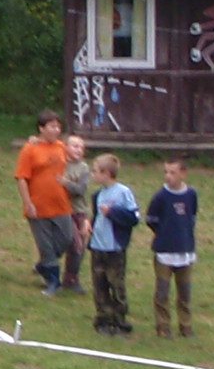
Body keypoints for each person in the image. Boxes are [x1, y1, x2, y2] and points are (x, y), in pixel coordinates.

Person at [14, 111, 76, 297]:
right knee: (46, 245)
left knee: (66, 238)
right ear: (42, 128)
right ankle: (53, 281)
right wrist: (28, 202)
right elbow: (22, 178)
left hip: (61, 204)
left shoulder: (61, 146)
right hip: (38, 205)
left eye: (58, 126)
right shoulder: (30, 150)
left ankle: (43, 265)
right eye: (52, 126)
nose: (56, 130)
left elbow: (76, 157)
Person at [88, 153, 139, 336]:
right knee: (99, 285)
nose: (93, 175)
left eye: (95, 171)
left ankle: (119, 320)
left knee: (116, 284)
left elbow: (133, 217)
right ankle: (103, 319)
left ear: (107, 173)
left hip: (115, 248)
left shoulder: (123, 192)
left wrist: (112, 212)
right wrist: (89, 225)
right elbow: (97, 218)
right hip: (98, 247)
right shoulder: (97, 195)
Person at [148, 157, 199, 339]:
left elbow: (192, 216)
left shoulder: (191, 195)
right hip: (165, 250)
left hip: (185, 249)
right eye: (166, 172)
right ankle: (163, 326)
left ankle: (185, 325)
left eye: (173, 172)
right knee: (162, 290)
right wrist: (164, 233)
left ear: (183, 174)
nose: (168, 176)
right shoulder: (160, 197)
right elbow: (151, 219)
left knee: (184, 290)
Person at [61, 133, 94, 293]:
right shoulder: (60, 163)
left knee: (79, 247)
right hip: (63, 211)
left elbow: (80, 190)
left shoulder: (84, 168)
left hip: (80, 211)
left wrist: (66, 183)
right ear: (65, 147)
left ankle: (71, 279)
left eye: (82, 147)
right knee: (73, 244)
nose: (79, 150)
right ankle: (45, 265)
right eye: (75, 146)